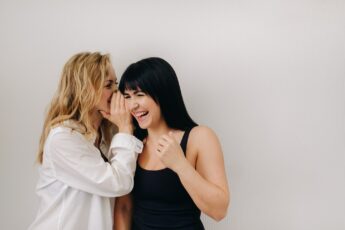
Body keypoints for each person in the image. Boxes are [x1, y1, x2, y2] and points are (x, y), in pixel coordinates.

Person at [28, 52, 143, 230]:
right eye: (108, 84)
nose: (116, 92)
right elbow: (118, 183)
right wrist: (126, 129)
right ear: (85, 89)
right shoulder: (64, 138)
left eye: (116, 83)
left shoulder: (107, 134)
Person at [114, 57, 230, 229]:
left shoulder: (199, 137)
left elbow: (219, 211)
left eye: (139, 95)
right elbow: (123, 208)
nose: (133, 105)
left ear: (163, 93)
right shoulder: (131, 143)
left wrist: (180, 164)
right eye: (127, 97)